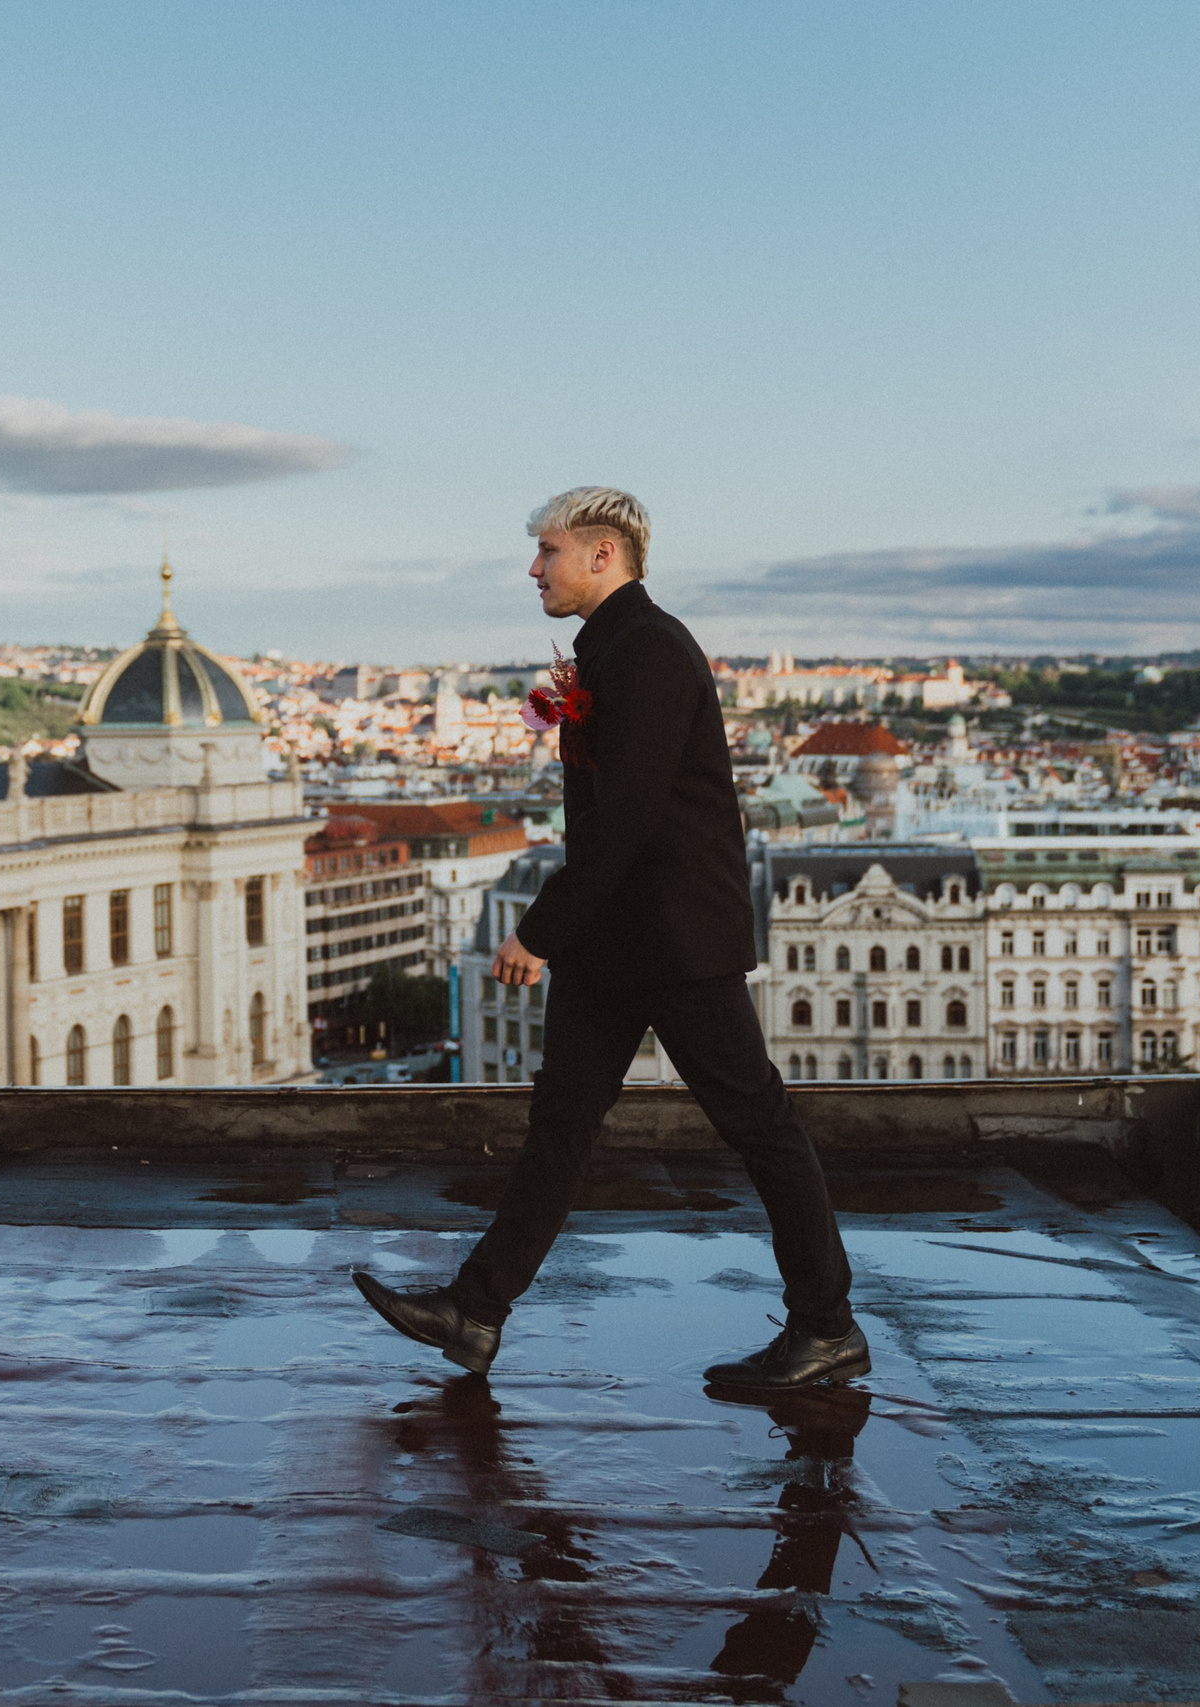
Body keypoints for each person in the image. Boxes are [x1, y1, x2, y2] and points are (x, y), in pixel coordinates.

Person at [352, 488, 864, 1391]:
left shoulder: (651, 651)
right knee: (561, 1126)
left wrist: (539, 932)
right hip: (622, 938)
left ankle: (826, 1326)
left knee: (761, 1124)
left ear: (602, 555)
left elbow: (624, 818)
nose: (532, 568)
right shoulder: (617, 648)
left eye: (546, 550)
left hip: (671, 937)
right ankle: (475, 1312)